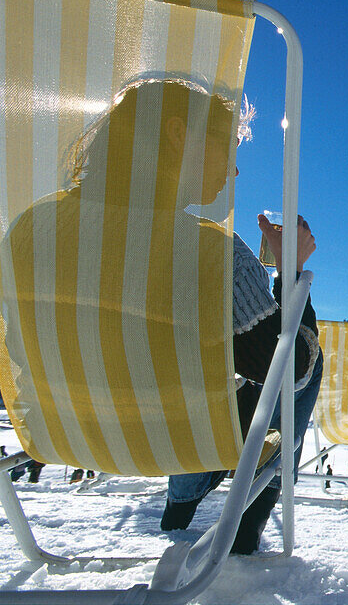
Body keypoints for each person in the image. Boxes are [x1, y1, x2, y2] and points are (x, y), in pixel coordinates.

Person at [100, 80, 325, 556]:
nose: (236, 169)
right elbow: (289, 371)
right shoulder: (207, 250)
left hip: (76, 428)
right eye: (229, 147)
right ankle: (244, 531)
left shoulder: (33, 230)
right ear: (180, 133)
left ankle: (181, 506)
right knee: (306, 358)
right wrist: (290, 276)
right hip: (167, 432)